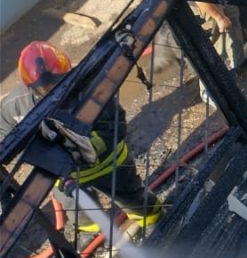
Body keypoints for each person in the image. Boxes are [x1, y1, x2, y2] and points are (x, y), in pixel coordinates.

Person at [0, 42, 161, 232]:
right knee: (80, 212)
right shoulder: (16, 105)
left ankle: (155, 221)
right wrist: (41, 154)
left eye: (57, 83)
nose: (51, 90)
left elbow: (115, 124)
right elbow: (5, 138)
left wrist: (82, 149)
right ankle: (93, 232)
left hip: (110, 164)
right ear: (29, 86)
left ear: (67, 71)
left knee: (135, 199)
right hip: (67, 179)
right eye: (43, 89)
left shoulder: (92, 84)